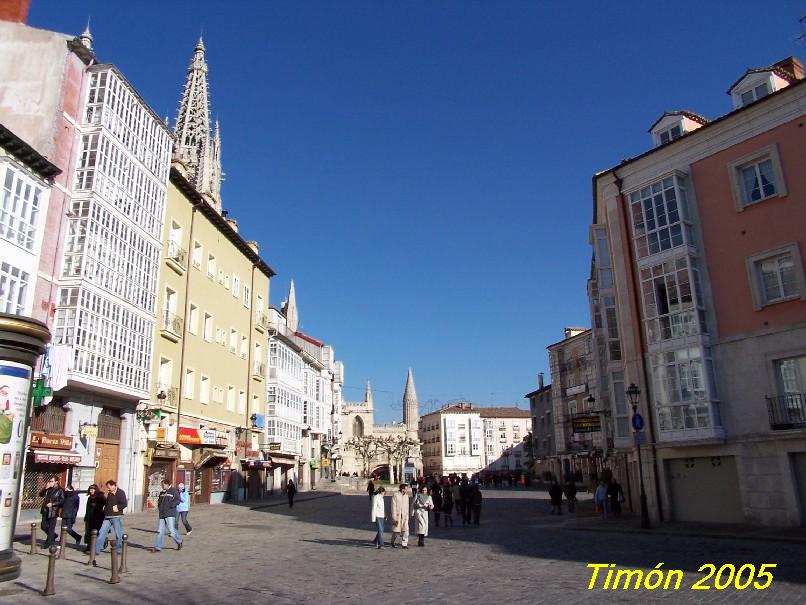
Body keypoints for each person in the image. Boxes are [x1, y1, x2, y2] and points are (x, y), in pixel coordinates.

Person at [93, 479, 127, 565]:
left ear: (113, 485)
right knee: (102, 532)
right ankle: (97, 549)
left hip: (115, 516)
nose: (108, 489)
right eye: (107, 487)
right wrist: (105, 508)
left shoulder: (120, 493)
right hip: (107, 517)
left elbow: (124, 503)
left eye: (109, 487)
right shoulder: (109, 493)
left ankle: (119, 549)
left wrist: (116, 508)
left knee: (118, 534)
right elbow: (108, 503)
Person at [151, 479, 183, 552]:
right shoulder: (162, 492)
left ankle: (179, 541)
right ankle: (158, 547)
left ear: (167, 484)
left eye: (163, 485)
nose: (162, 486)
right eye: (161, 485)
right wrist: (159, 507)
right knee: (160, 531)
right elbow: (159, 501)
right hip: (162, 514)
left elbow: (178, 500)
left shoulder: (174, 491)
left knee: (172, 530)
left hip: (170, 513)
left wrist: (171, 505)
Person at [38, 476, 64, 548]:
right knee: (43, 526)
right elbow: (40, 495)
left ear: (56, 482)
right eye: (50, 481)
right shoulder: (48, 489)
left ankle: (48, 543)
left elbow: (62, 500)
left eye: (52, 481)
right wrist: (45, 488)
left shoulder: (60, 490)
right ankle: (53, 535)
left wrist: (52, 504)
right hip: (45, 510)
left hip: (53, 511)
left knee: (51, 528)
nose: (50, 482)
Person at [83, 484, 105, 552]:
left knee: (95, 533)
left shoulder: (100, 497)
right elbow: (87, 509)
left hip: (97, 518)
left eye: (92, 490)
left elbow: (104, 505)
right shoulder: (90, 498)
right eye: (90, 490)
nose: (91, 491)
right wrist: (86, 517)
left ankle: (96, 546)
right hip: (89, 518)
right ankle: (89, 546)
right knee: (88, 532)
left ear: (96, 490)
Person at [390, 484, 410, 548]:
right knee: (396, 531)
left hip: (404, 515)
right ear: (402, 489)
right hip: (398, 516)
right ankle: (392, 541)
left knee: (406, 530)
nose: (407, 490)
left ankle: (404, 544)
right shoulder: (396, 495)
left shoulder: (406, 496)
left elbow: (407, 506)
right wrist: (394, 516)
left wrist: (407, 515)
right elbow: (393, 506)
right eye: (406, 489)